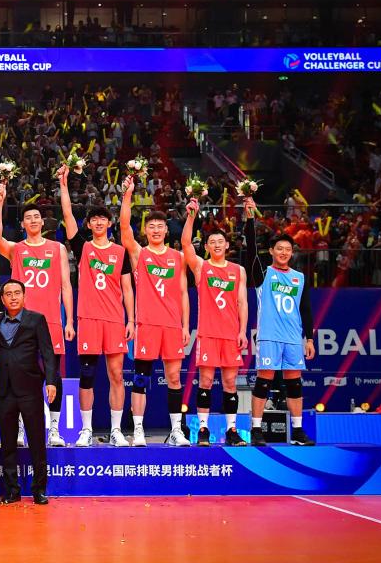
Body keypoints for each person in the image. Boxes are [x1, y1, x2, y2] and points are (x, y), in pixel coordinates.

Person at [58, 165, 134, 447]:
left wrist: (131, 320)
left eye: (103, 219)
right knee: (87, 375)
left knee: (116, 374)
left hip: (114, 320)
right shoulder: (83, 248)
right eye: (94, 220)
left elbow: (127, 289)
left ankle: (116, 430)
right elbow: (68, 215)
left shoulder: (120, 252)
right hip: (88, 318)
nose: (99, 222)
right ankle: (86, 430)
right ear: (89, 225)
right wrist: (63, 185)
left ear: (109, 223)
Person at [0, 183, 73, 448]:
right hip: (20, 321)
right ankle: (18, 429)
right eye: (29, 217)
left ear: (42, 221)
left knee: (53, 375)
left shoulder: (57, 248)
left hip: (51, 320)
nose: (34, 220)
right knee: (19, 374)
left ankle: (54, 430)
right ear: (23, 224)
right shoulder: (16, 249)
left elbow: (66, 286)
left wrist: (70, 320)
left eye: (37, 216)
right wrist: (0, 201)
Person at [120, 176, 191, 447]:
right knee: (141, 378)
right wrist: (128, 194)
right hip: (147, 325)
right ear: (146, 231)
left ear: (166, 230)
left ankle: (176, 431)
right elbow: (124, 227)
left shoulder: (178, 257)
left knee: (173, 378)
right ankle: (138, 429)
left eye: (161, 226)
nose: (156, 230)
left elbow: (183, 293)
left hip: (172, 325)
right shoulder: (139, 254)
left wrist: (185, 326)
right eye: (151, 226)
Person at [242, 198, 315, 446]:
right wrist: (250, 218)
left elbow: (305, 309)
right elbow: (251, 250)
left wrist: (309, 338)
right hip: (269, 336)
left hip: (293, 338)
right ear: (272, 251)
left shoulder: (299, 278)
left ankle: (298, 431)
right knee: (264, 381)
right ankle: (256, 429)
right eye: (279, 248)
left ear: (292, 253)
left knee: (294, 383)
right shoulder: (263, 274)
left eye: (288, 249)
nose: (284, 252)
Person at [181, 199, 249, 447]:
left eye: (221, 241)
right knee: (206, 382)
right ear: (207, 246)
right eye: (212, 242)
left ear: (227, 245)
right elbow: (185, 244)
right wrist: (191, 216)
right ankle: (203, 429)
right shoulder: (202, 267)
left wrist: (242, 331)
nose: (217, 245)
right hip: (208, 334)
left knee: (230, 383)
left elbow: (242, 303)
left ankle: (232, 430)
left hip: (230, 334)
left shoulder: (238, 270)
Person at [0, 278, 58, 505]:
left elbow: (48, 352)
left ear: (24, 295)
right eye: (8, 294)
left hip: (30, 389)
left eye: (17, 293)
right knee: (8, 443)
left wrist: (51, 382)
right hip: (5, 390)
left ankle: (39, 490)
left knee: (37, 441)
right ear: (2, 299)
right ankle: (12, 490)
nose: (13, 297)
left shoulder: (36, 319)